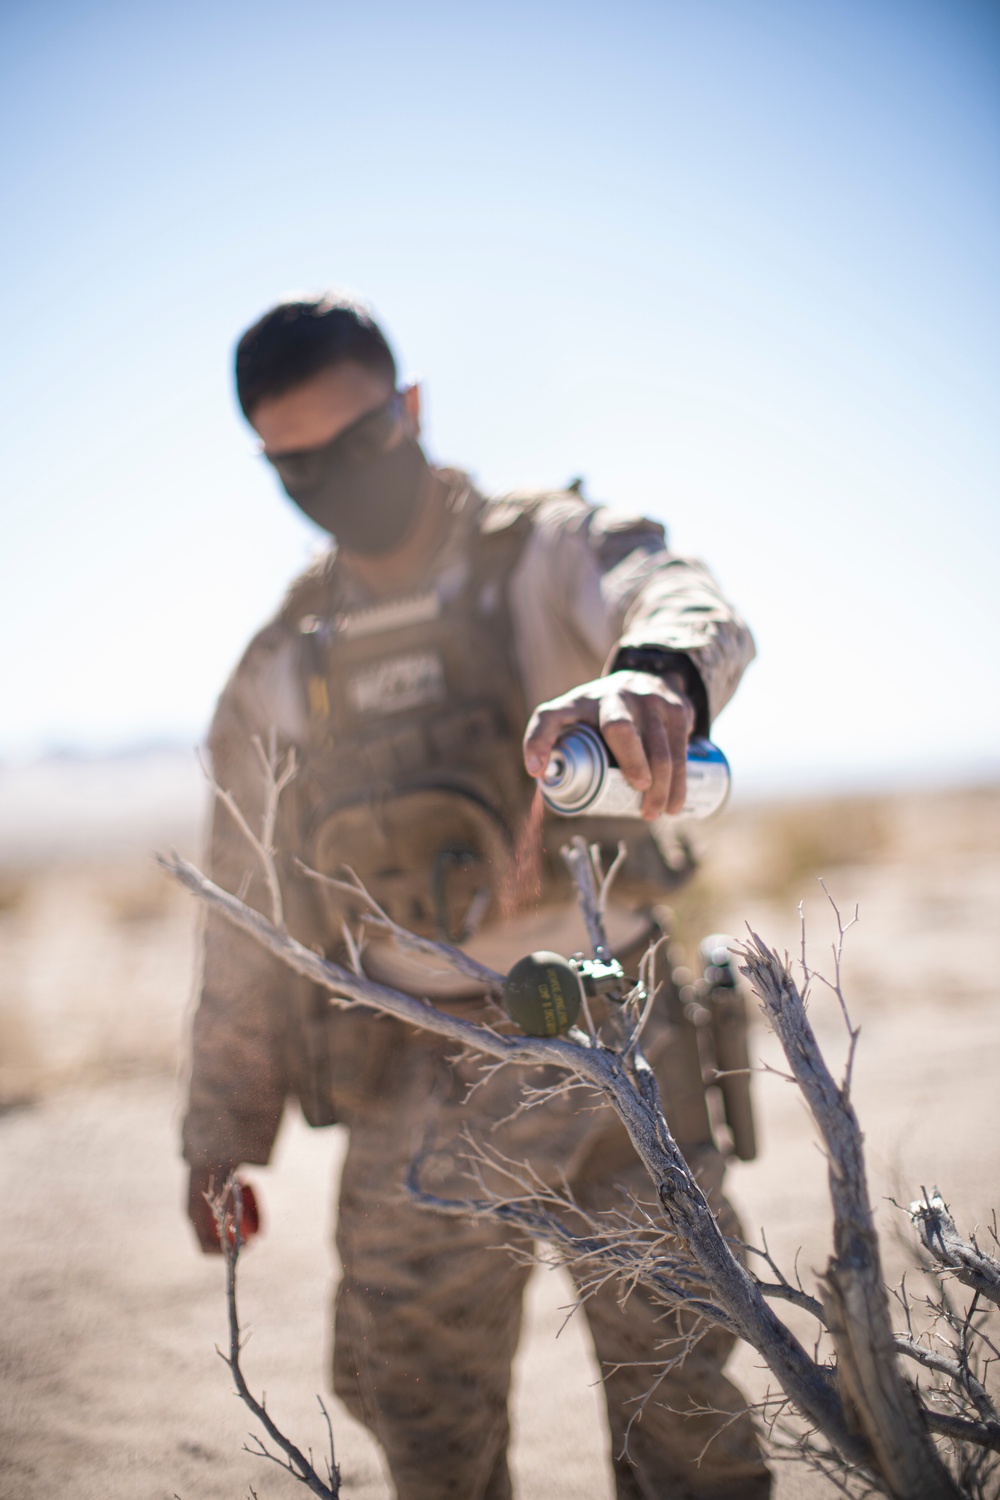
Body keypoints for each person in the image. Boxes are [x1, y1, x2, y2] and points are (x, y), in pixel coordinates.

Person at [182, 293, 770, 1499]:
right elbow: (242, 914)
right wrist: (221, 1137)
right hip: (417, 1084)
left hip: (617, 1051)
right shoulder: (283, 663)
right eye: (291, 466)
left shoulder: (544, 553)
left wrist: (651, 678)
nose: (326, 479)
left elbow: (682, 596)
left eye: (348, 446)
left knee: (686, 1425)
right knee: (427, 1429)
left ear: (406, 411)